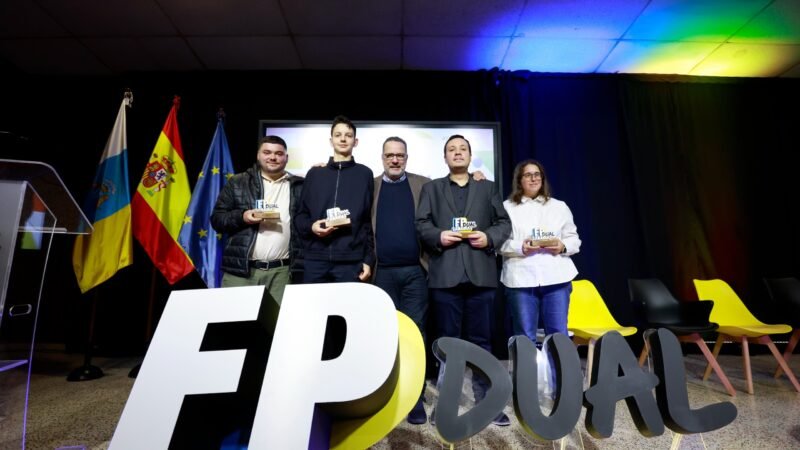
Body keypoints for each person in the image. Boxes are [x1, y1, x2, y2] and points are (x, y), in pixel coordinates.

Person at [415, 134, 511, 426]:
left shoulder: (488, 187)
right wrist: (438, 236)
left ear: (470, 156)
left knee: (482, 341)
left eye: (463, 149)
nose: (457, 153)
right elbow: (422, 224)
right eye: (451, 150)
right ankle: (446, 404)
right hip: (445, 276)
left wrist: (489, 237)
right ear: (445, 158)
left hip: (481, 275)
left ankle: (488, 403)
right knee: (447, 344)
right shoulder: (431, 189)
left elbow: (503, 222)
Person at [499, 159, 581, 394]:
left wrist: (562, 245)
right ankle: (527, 391)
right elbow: (498, 243)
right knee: (524, 337)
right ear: (519, 180)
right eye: (528, 175)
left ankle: (561, 390)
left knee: (558, 335)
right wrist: (520, 246)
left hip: (556, 278)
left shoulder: (559, 206)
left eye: (538, 175)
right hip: (520, 279)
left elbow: (574, 238)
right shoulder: (506, 208)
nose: (534, 179)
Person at [371, 136, 431, 424]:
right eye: (389, 155)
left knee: (415, 335)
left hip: (415, 273)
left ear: (407, 157)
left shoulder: (424, 184)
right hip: (381, 273)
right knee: (385, 337)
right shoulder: (370, 186)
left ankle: (415, 398)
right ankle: (388, 395)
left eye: (400, 156)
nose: (395, 160)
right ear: (382, 157)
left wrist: (478, 177)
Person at [210, 135, 304, 304]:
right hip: (242, 272)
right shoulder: (238, 182)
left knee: (276, 327)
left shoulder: (299, 185)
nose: (273, 157)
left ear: (286, 157)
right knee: (235, 325)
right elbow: (217, 219)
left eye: (278, 153)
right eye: (267, 152)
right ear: (258, 155)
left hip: (282, 273)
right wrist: (242, 216)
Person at [293, 115, 374, 283]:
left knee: (347, 309)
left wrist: (368, 259)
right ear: (331, 141)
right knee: (314, 309)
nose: (343, 139)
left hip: (350, 261)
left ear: (355, 141)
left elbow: (368, 221)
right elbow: (300, 216)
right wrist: (312, 226)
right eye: (338, 135)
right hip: (315, 259)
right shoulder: (315, 173)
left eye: (348, 135)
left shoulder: (365, 174)